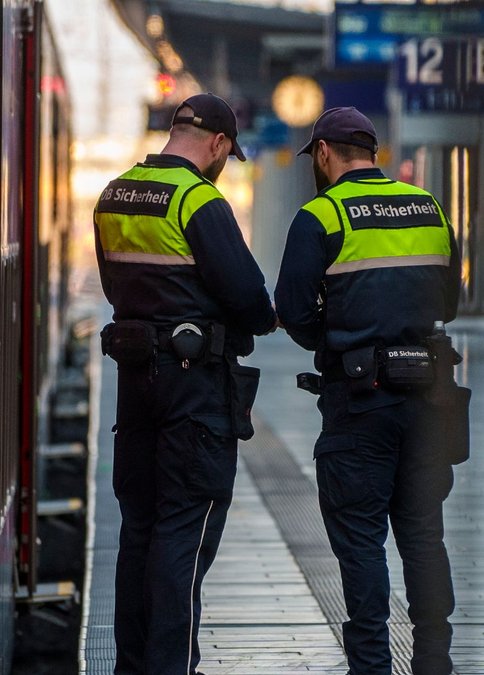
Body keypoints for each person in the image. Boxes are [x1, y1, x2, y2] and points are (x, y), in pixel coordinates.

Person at [274, 107, 464, 675]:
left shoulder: (321, 215)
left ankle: (372, 666)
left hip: (360, 399)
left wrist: (333, 342)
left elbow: (291, 309)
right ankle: (434, 661)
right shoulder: (427, 207)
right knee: (424, 534)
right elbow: (450, 304)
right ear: (373, 152)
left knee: (360, 540)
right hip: (429, 396)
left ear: (325, 153)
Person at [93, 93, 278, 675]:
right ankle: (172, 667)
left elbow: (112, 288)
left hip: (135, 382)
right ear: (220, 144)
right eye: (229, 153)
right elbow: (249, 299)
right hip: (193, 390)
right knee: (185, 530)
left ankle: (133, 664)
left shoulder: (115, 194)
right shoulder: (200, 201)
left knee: (139, 528)